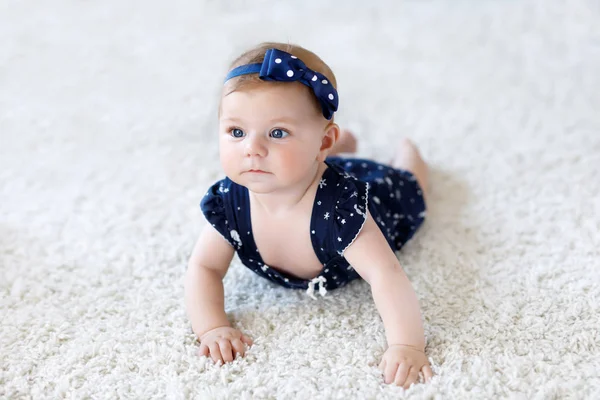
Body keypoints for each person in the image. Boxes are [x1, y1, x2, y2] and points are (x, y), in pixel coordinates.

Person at [184, 42, 433, 388]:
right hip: (307, 163)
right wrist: (212, 326)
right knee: (295, 163)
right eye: (236, 132)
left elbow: (384, 273)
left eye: (277, 133)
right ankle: (336, 146)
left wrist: (407, 345)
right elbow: (205, 267)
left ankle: (408, 157)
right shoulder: (230, 201)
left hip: (377, 197)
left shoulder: (340, 208)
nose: (252, 149)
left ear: (321, 142)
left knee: (409, 189)